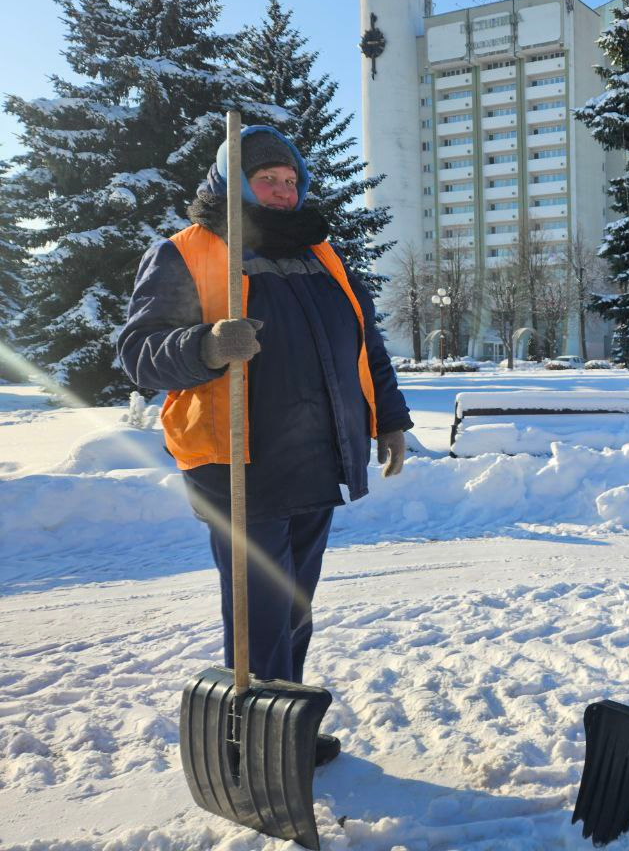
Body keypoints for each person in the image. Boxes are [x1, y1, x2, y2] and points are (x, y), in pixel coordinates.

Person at [118, 125, 413, 767]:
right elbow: (138, 354)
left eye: (290, 181)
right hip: (237, 463)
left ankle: (285, 730)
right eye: (266, 180)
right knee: (260, 616)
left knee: (294, 608)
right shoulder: (188, 253)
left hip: (318, 457)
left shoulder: (321, 254)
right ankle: (251, 746)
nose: (282, 192)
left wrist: (389, 418)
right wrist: (205, 348)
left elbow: (366, 343)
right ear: (232, 183)